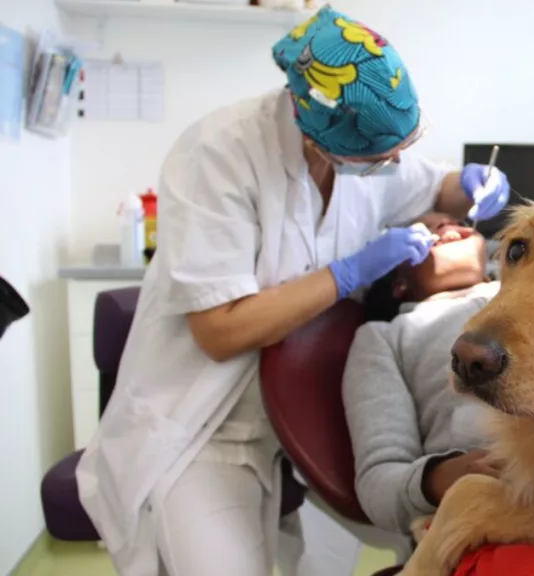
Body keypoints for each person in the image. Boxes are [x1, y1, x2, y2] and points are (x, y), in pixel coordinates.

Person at [75, 7, 511, 576]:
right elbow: (220, 330)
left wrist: (474, 182)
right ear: (319, 134)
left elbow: (433, 184)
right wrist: (347, 274)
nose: (394, 165)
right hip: (210, 425)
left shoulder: (362, 151)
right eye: (381, 156)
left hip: (319, 412)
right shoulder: (219, 155)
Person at [343, 214, 534, 576]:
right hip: (488, 519)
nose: (449, 227)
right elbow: (377, 484)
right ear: (398, 281)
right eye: (429, 232)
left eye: (456, 219)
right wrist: (448, 475)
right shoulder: (386, 337)